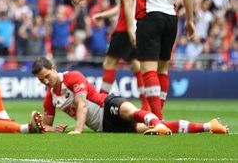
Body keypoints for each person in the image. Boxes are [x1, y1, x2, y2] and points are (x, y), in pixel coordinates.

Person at [31, 57, 229, 135]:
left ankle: (157, 121)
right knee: (147, 127)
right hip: (105, 127)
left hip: (105, 105)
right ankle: (209, 126)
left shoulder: (73, 77)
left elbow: (82, 105)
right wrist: (49, 130)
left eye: (47, 76)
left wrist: (78, 129)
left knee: (129, 110)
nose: (46, 82)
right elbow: (46, 124)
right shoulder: (50, 97)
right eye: (42, 80)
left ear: (54, 68)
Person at [91, 0, 149, 110]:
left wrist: (130, 29)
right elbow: (122, 6)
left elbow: (128, 5)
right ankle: (146, 105)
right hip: (132, 24)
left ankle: (100, 101)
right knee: (136, 65)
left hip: (124, 27)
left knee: (109, 63)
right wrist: (104, 15)